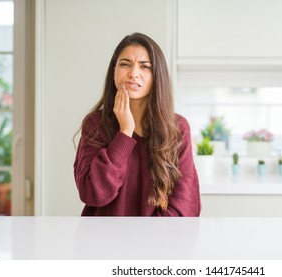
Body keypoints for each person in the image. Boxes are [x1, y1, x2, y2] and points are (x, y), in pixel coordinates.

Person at [74, 33, 201, 216]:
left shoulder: (177, 128)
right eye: (125, 64)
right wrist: (125, 133)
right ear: (114, 71)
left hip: (157, 242)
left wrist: (147, 240)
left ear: (157, 76)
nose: (133, 73)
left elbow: (185, 206)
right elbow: (93, 193)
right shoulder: (95, 124)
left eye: (145, 67)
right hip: (101, 241)